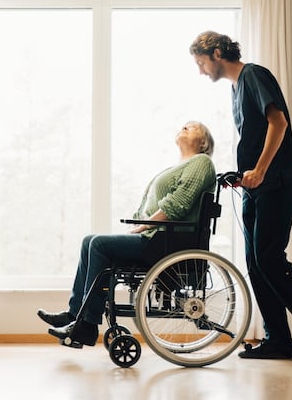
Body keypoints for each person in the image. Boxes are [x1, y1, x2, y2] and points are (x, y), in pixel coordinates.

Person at [189, 31, 292, 361]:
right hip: (256, 186)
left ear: (215, 53)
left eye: (201, 63)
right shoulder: (235, 89)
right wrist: (243, 175)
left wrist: (261, 170)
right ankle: (278, 340)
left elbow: (278, 122)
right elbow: (254, 140)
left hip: (277, 181)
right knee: (256, 263)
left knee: (269, 256)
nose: (200, 71)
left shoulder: (253, 74)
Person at [37, 121, 216, 347]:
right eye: (184, 125)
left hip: (168, 242)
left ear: (203, 142)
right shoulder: (177, 166)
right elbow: (149, 205)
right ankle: (75, 315)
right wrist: (138, 224)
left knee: (99, 244)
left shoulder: (202, 162)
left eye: (192, 127)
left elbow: (178, 203)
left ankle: (87, 325)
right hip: (157, 238)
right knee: (89, 241)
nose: (185, 127)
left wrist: (143, 226)